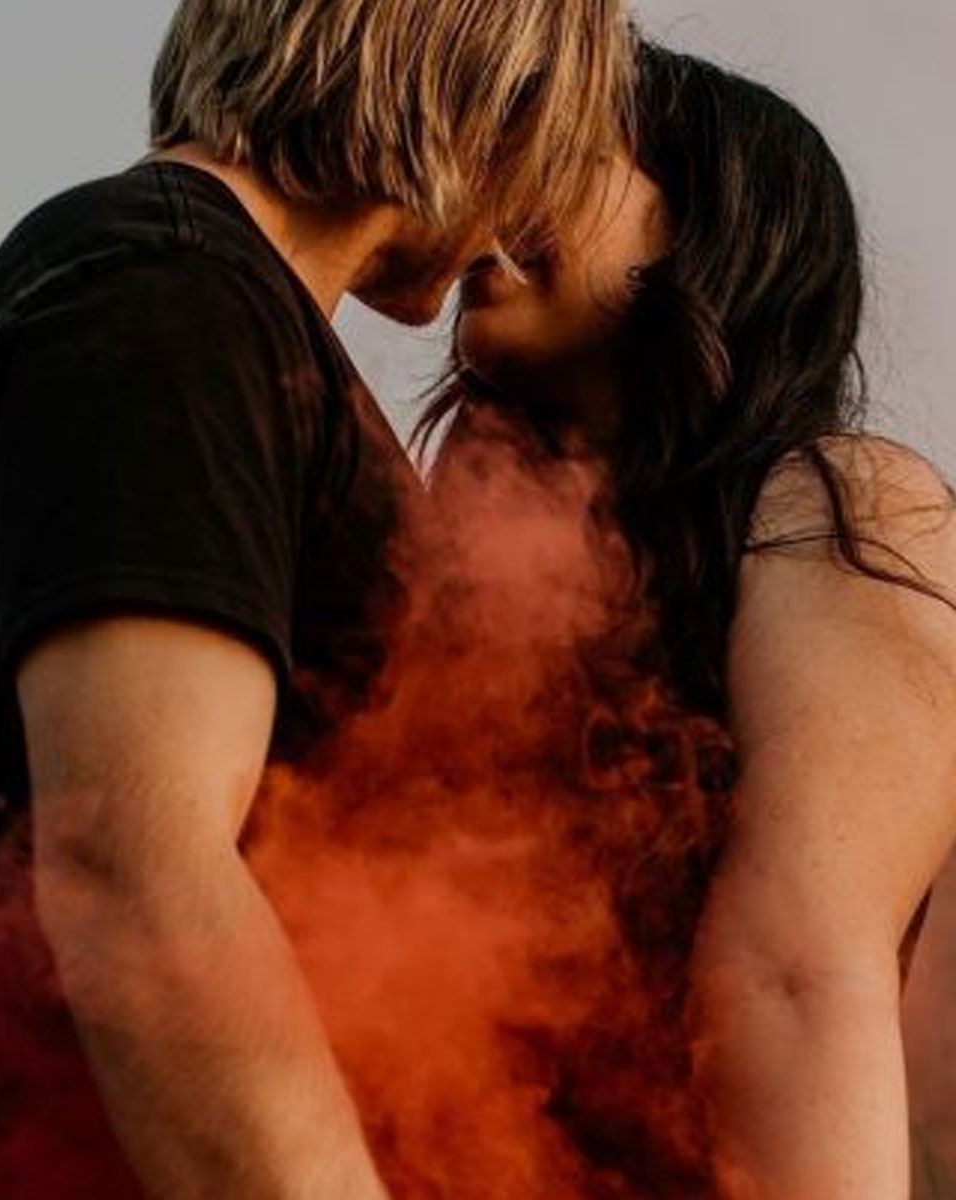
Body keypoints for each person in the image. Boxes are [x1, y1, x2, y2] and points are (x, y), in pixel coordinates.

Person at [0, 1, 632, 1198]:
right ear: (479, 87)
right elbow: (135, 867)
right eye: (542, 131)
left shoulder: (200, 303)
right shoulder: (163, 299)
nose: (525, 217)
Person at [424, 40, 956, 1200]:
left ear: (709, 225)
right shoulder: (479, 574)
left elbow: (800, 967)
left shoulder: (836, 501)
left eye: (562, 156)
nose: (487, 196)